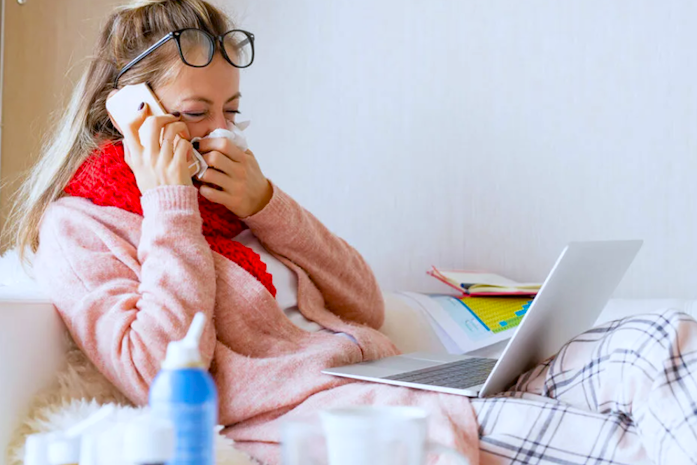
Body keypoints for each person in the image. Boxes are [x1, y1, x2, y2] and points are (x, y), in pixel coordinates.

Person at [5, 1, 697, 464]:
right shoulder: (81, 229)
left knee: (662, 338)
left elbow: (363, 303)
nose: (219, 133)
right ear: (127, 111)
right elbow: (159, 371)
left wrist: (268, 203)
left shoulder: (227, 197)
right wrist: (167, 203)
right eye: (194, 112)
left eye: (231, 111)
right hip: (356, 416)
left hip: (403, 377)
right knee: (622, 447)